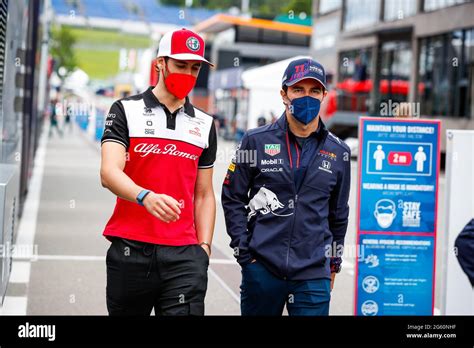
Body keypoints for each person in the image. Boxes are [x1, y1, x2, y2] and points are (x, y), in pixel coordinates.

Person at [100, 28, 217, 316]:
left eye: (195, 68)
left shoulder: (205, 123)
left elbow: (204, 194)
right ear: (160, 63)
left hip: (184, 257)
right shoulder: (125, 109)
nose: (189, 74)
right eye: (181, 65)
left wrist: (204, 248)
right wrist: (144, 197)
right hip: (130, 250)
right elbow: (108, 172)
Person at [222, 57, 351, 316]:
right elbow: (232, 198)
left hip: (313, 275)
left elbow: (338, 216)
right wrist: (245, 253)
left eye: (314, 90)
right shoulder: (255, 141)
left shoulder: (339, 151)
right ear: (284, 94)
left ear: (324, 94)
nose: (307, 97)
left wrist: (333, 264)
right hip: (262, 269)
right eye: (298, 90)